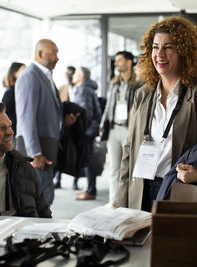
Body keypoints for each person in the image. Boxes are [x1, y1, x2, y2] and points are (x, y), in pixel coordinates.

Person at [116, 16, 197, 211]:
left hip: (179, 191)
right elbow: (128, 151)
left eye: (168, 47)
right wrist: (121, 204)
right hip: (141, 191)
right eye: (155, 47)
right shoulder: (142, 94)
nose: (159, 54)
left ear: (184, 52)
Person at [15, 39, 77, 205]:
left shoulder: (45, 76)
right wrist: (34, 153)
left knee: (44, 196)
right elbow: (26, 118)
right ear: (40, 54)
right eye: (53, 53)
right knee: (43, 197)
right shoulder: (29, 76)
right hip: (36, 151)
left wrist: (63, 121)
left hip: (47, 147)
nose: (57, 58)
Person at [0, 102, 52, 218]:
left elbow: (44, 212)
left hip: (26, 232)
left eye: (9, 126)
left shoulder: (24, 166)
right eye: (1, 128)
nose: (10, 132)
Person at [99, 51, 143, 208]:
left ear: (129, 62)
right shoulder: (114, 82)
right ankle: (113, 201)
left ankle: (127, 201)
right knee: (114, 168)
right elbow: (108, 107)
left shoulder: (138, 83)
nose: (116, 63)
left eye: (119, 60)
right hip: (113, 128)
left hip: (129, 129)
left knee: (129, 167)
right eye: (116, 61)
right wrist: (103, 124)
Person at [72, 67, 102, 200]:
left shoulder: (83, 89)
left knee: (88, 160)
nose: (73, 75)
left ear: (81, 76)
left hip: (86, 130)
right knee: (88, 159)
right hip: (89, 129)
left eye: (76, 73)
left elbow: (86, 112)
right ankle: (90, 188)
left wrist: (81, 130)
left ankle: (91, 191)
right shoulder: (85, 88)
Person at [54, 65, 76, 189]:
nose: (69, 75)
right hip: (64, 126)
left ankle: (75, 181)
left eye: (72, 73)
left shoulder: (79, 88)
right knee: (62, 151)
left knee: (75, 152)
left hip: (76, 125)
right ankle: (58, 179)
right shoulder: (61, 89)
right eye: (67, 73)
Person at [1, 62, 26, 136]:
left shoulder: (18, 90)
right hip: (14, 132)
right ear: (15, 74)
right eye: (23, 70)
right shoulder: (11, 91)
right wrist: (14, 124)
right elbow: (4, 111)